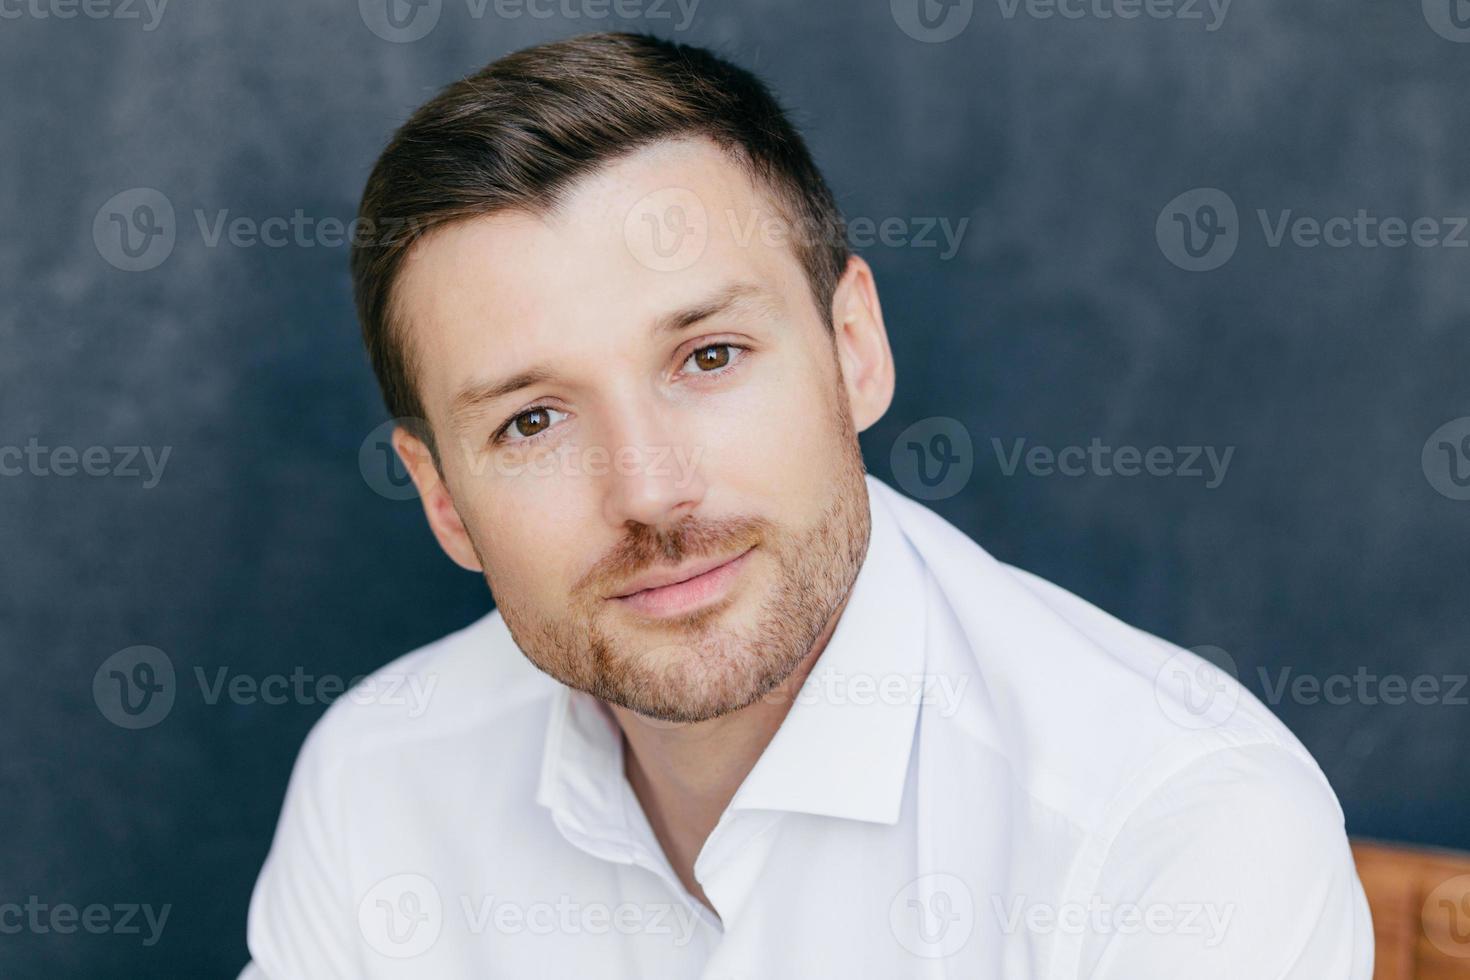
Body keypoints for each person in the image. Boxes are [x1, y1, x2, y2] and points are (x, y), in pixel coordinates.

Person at [242, 32, 1374, 979]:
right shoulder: (378, 779)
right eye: (532, 420)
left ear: (855, 347)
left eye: (709, 354)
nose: (649, 489)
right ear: (442, 497)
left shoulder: (1171, 826)